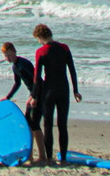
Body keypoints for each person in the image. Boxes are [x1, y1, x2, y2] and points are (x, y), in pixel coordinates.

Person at [31, 24, 82, 164]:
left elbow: (37, 77)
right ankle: (64, 159)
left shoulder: (41, 51)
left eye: (37, 39)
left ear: (40, 37)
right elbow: (72, 70)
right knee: (62, 125)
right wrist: (75, 91)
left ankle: (49, 158)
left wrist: (35, 97)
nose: (38, 42)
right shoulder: (64, 48)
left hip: (48, 91)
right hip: (63, 90)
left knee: (48, 125)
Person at [1, 41, 47, 165]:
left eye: (9, 55)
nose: (8, 58)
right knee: (28, 125)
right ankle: (30, 156)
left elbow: (37, 80)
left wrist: (34, 97)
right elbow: (17, 84)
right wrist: (8, 97)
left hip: (40, 94)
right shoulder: (15, 66)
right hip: (33, 95)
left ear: (15, 52)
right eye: (6, 56)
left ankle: (43, 156)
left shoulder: (23, 63)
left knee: (35, 124)